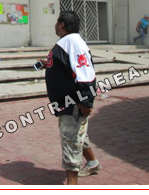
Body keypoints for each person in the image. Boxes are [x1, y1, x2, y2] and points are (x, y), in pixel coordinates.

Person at [39, 11, 100, 185]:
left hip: (73, 104)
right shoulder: (67, 43)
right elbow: (68, 67)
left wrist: (86, 102)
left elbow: (85, 75)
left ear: (62, 24)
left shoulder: (72, 42)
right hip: (67, 104)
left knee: (70, 144)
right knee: (79, 135)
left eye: (57, 21)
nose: (55, 24)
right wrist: (48, 64)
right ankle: (93, 163)